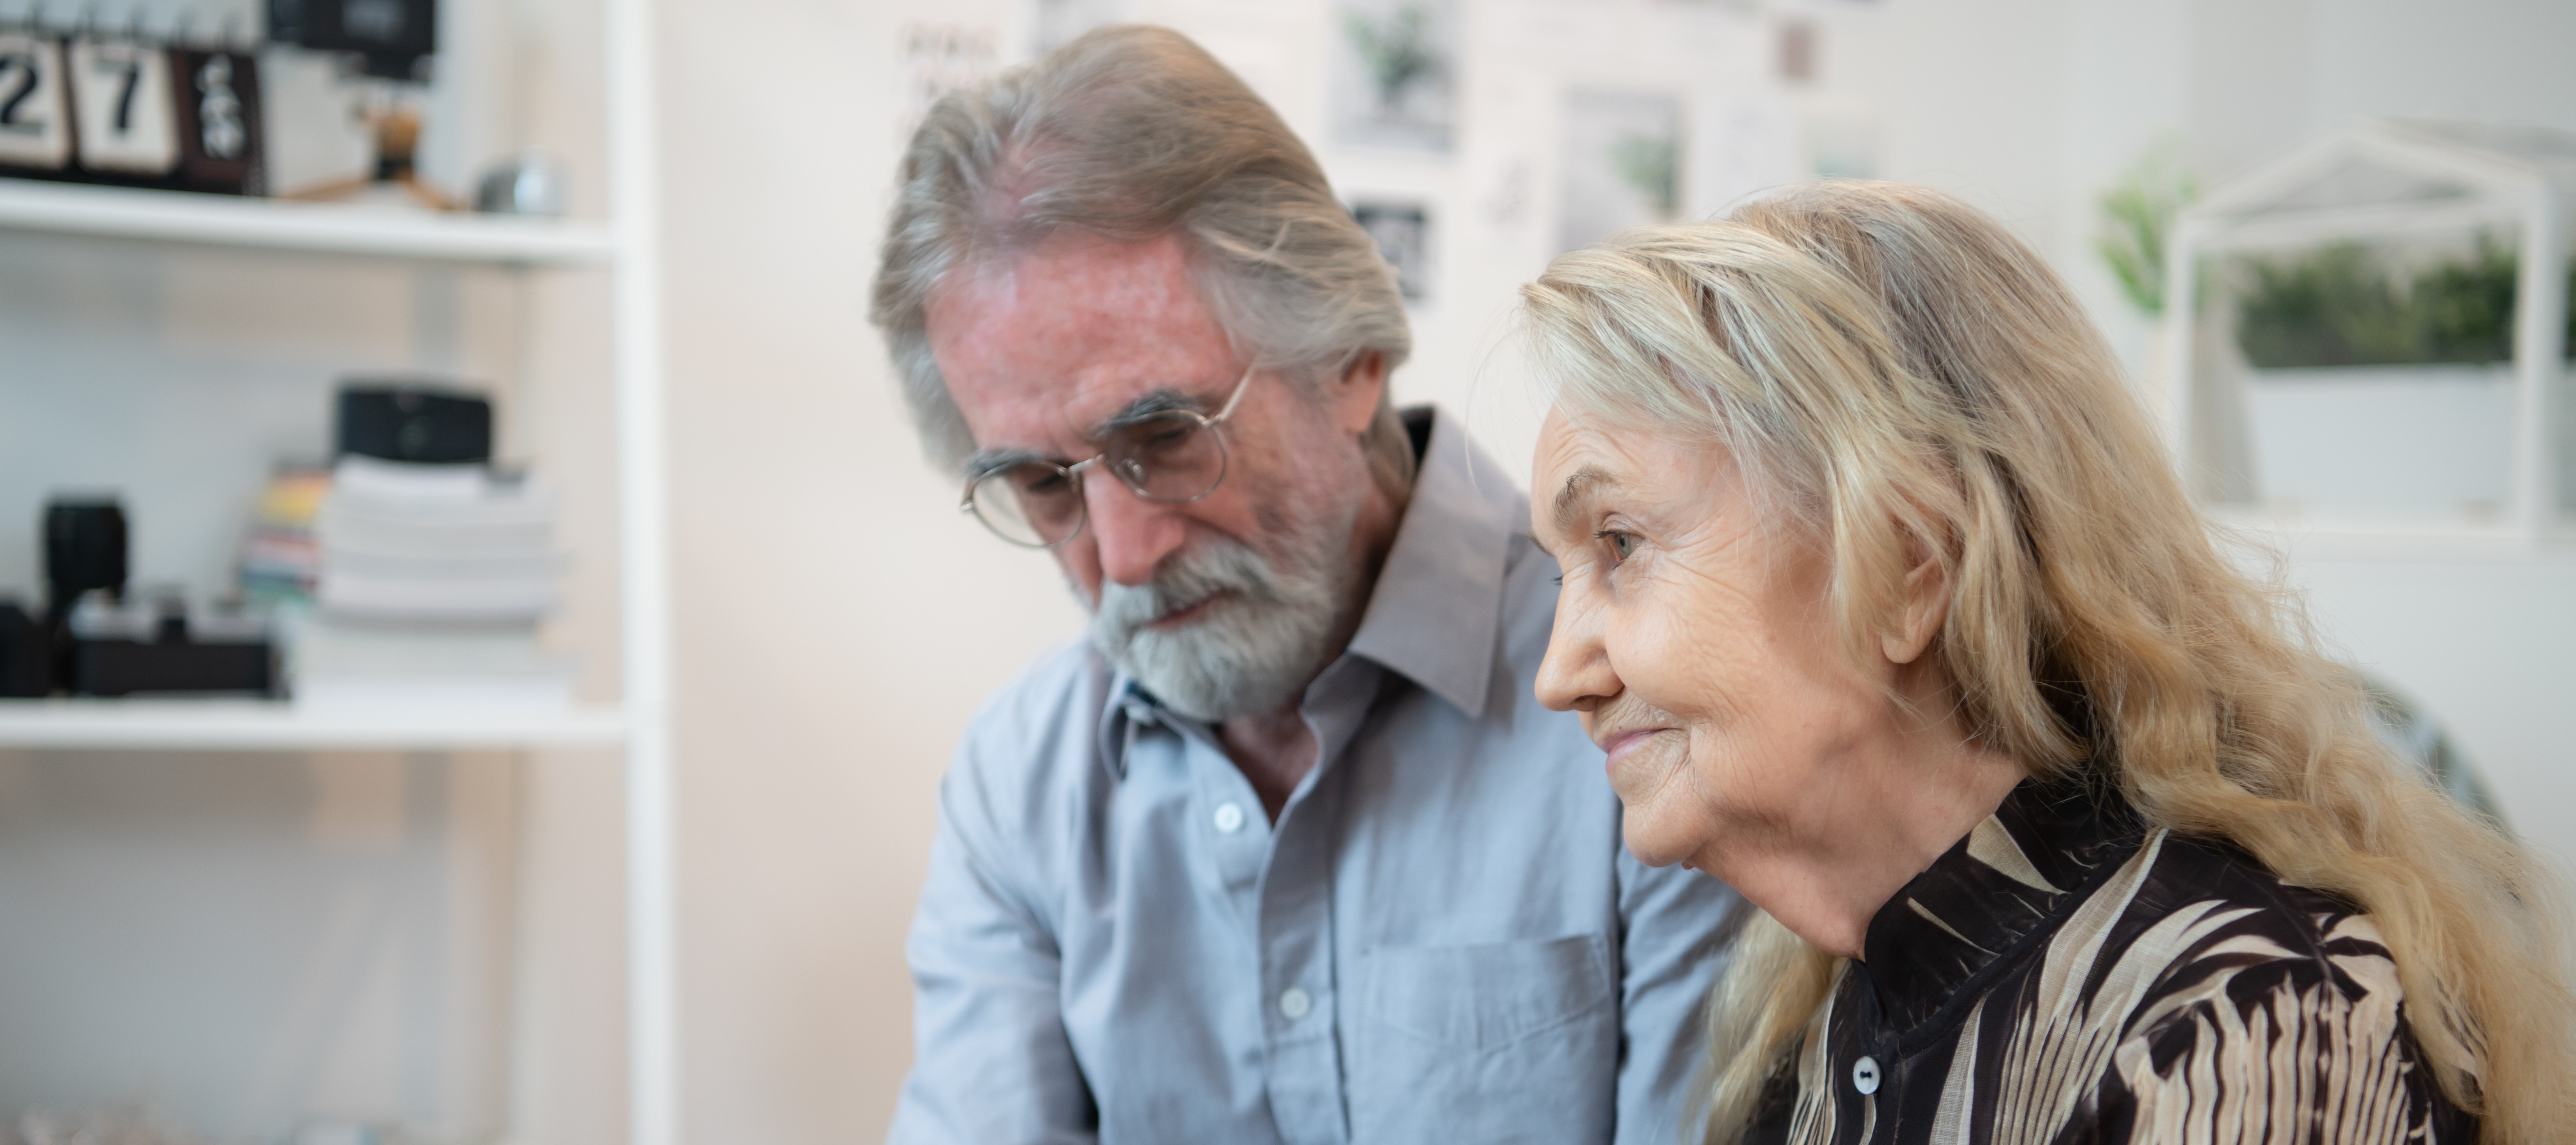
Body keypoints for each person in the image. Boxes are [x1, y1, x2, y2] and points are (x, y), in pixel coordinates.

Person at [1518, 181, 2575, 1143]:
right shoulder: (1832, 1012)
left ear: (1906, 565)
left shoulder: (2237, 1031)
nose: (1560, 673)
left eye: (1620, 544)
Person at [869, 25, 1745, 1144]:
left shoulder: (1640, 689)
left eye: (1167, 436)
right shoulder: (1022, 785)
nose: (1124, 556)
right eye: (1043, 485)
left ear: (1350, 359)